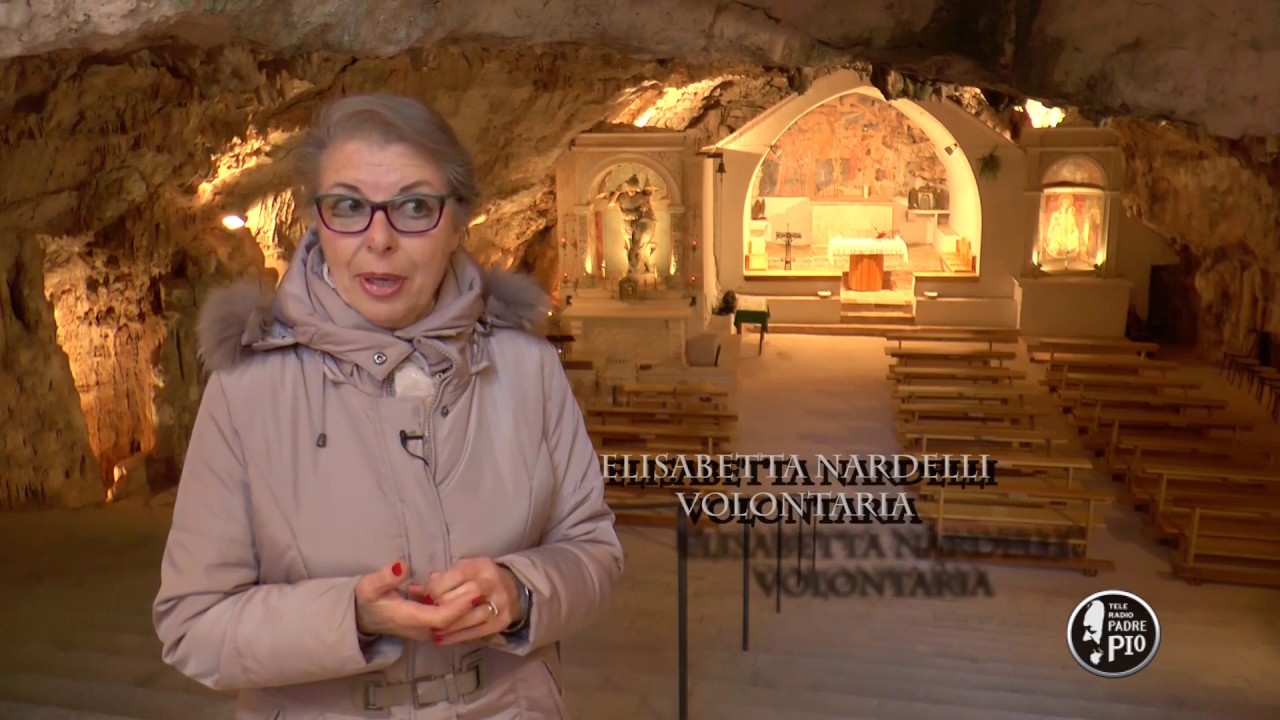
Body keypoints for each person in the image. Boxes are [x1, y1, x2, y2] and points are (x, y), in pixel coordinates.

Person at [152, 93, 624, 718]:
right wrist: (350, 617)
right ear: (316, 223)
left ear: (458, 223)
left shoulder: (528, 370)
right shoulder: (247, 393)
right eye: (349, 206)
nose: (379, 239)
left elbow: (593, 550)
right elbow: (192, 624)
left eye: (414, 207)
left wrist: (521, 591)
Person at [597, 174, 662, 277]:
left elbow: (647, 208)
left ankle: (642, 266)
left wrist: (646, 208)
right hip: (626, 225)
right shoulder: (622, 197)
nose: (632, 191)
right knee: (628, 247)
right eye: (630, 188)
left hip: (638, 225)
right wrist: (617, 192)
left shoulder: (640, 197)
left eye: (634, 189)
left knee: (639, 247)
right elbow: (610, 204)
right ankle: (631, 269)